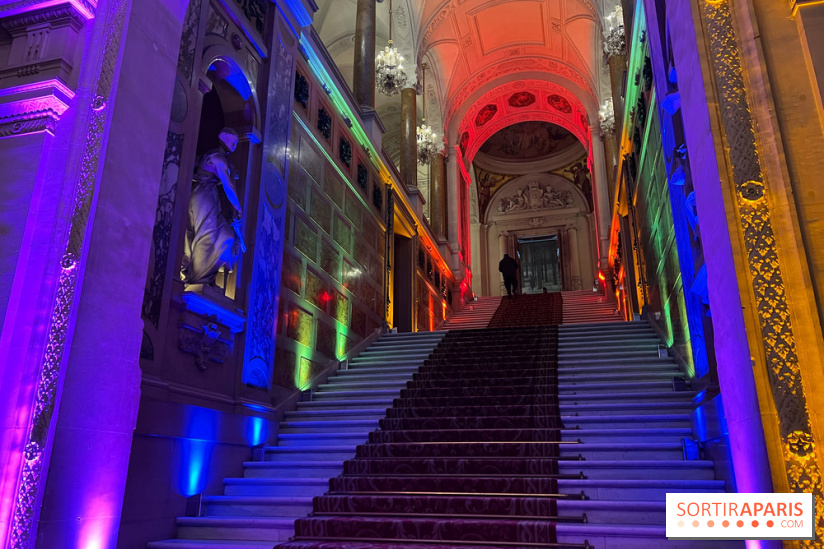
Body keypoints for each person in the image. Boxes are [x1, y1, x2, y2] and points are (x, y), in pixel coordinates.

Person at [181, 127, 244, 286]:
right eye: (233, 141)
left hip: (211, 197)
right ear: (225, 141)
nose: (235, 145)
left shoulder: (224, 160)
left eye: (236, 142)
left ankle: (206, 276)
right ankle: (197, 279)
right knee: (207, 235)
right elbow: (228, 185)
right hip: (202, 195)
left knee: (227, 236)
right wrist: (237, 207)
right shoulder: (217, 158)